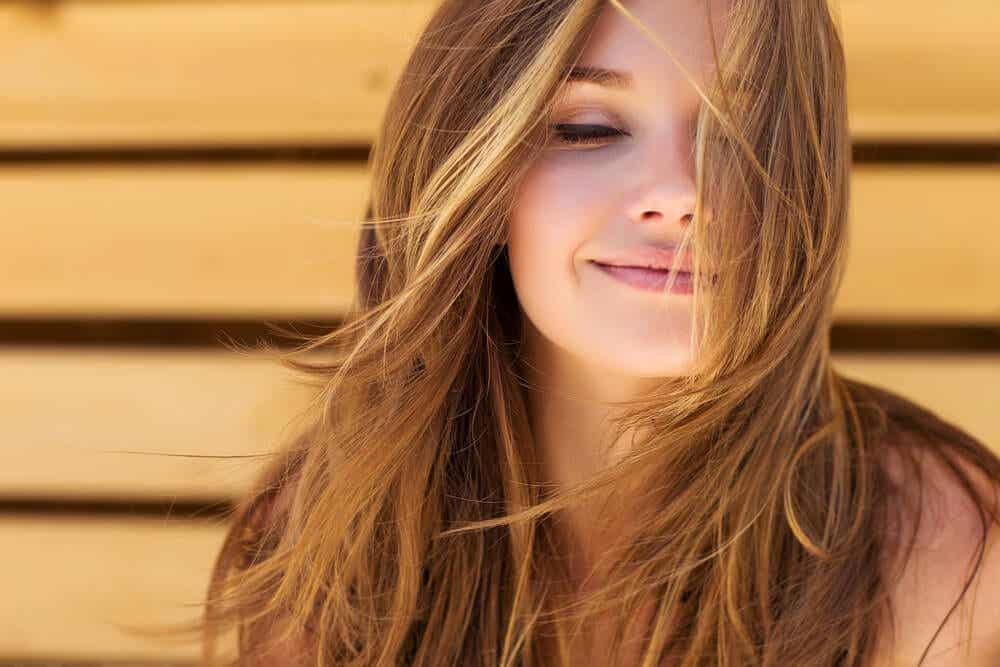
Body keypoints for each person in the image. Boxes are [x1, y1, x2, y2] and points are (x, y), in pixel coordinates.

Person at [197, 0, 1000, 665]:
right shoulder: (328, 542)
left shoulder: (946, 549)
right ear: (479, 175)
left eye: (743, 134)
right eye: (588, 128)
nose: (678, 195)